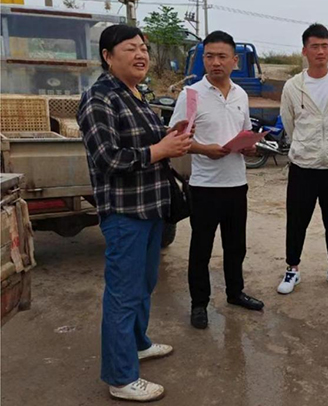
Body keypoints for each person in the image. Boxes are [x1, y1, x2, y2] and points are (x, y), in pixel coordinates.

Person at [77, 24, 193, 402]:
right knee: (124, 294)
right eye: (130, 48)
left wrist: (169, 135)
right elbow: (108, 159)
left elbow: (147, 142)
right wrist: (160, 150)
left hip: (150, 208)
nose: (141, 54)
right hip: (125, 213)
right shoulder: (99, 99)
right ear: (107, 56)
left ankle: (138, 343)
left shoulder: (135, 94)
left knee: (144, 285)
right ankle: (121, 377)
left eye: (143, 47)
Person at [169, 31, 264, 331]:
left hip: (236, 184)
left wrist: (249, 147)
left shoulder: (241, 95)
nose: (215, 62)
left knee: (236, 246)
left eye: (222, 56)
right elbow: (176, 139)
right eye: (209, 56)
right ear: (203, 59)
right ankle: (199, 304)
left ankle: (235, 293)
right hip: (204, 186)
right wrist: (203, 149)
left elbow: (244, 131)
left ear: (235, 61)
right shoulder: (190, 95)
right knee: (201, 249)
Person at [277, 23, 328, 295]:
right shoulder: (293, 86)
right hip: (304, 165)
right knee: (296, 220)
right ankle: (292, 269)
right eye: (315, 46)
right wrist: (306, 143)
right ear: (305, 51)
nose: (321, 51)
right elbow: (289, 123)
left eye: (325, 46)